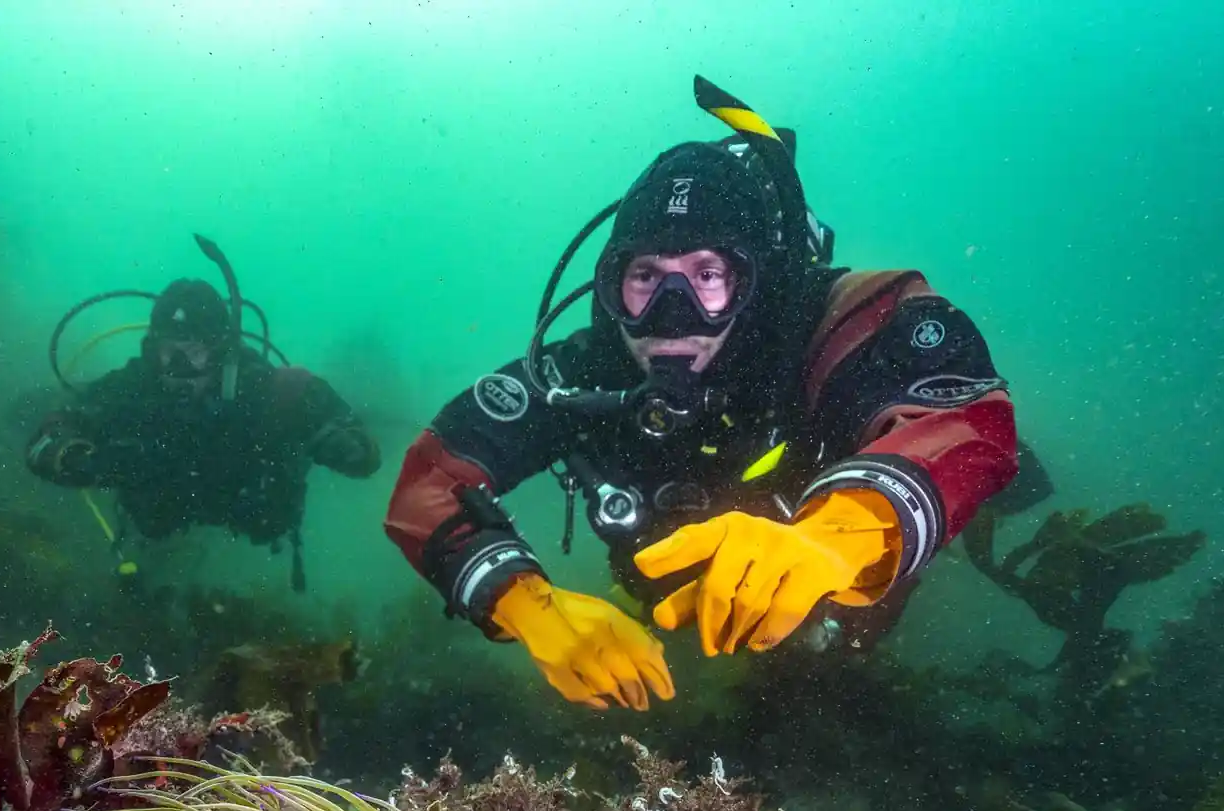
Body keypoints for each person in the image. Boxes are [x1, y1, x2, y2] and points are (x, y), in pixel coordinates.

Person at [383, 77, 1019, 710]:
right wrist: (524, 602)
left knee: (832, 683)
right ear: (610, 286)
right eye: (646, 276)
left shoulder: (826, 323)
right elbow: (430, 479)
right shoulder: (578, 372)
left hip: (837, 627)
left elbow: (966, 419)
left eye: (708, 275)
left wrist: (837, 534)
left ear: (758, 282)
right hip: (667, 606)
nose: (671, 313)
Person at [27, 274, 380, 591]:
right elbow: (46, 440)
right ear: (153, 350)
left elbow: (365, 455)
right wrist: (83, 460)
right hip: (164, 517)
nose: (179, 368)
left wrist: (342, 444)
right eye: (169, 352)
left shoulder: (265, 388)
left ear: (222, 352)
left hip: (250, 511)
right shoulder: (132, 388)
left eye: (194, 352)